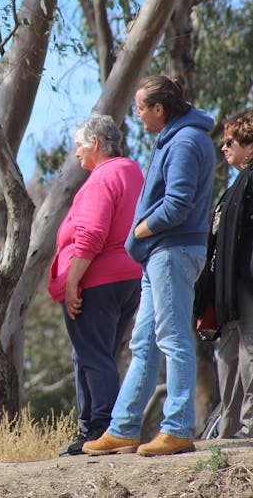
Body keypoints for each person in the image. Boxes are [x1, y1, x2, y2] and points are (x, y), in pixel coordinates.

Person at [84, 76, 215, 457]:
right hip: (160, 253)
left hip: (172, 250)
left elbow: (177, 204)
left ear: (160, 109)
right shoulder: (177, 138)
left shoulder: (187, 141)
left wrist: (140, 229)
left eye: (141, 107)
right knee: (144, 342)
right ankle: (124, 428)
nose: (137, 115)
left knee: (173, 339)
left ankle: (177, 428)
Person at [48, 114, 143, 456]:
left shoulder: (103, 178)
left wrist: (72, 282)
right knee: (94, 355)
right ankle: (93, 427)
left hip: (97, 280)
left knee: (94, 356)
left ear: (97, 145)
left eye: (79, 146)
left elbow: (91, 234)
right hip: (129, 278)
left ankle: (103, 428)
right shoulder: (133, 171)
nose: (76, 154)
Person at [196, 112, 253, 438]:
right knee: (228, 353)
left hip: (246, 280)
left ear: (249, 143)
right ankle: (227, 430)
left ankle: (249, 427)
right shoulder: (237, 184)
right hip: (227, 288)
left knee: (249, 348)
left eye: (229, 141)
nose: (223, 147)